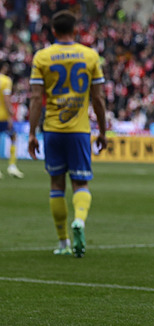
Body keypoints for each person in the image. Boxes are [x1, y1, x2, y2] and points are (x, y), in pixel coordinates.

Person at [28, 10, 107, 257]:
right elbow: (98, 99)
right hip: (79, 131)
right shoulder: (90, 55)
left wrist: (31, 133)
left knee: (56, 184)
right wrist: (103, 131)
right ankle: (79, 221)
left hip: (52, 129)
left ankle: (62, 242)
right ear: (75, 31)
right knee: (80, 183)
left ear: (53, 31)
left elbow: (34, 99)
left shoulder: (42, 57)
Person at [0, 63, 24, 179]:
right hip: (2, 116)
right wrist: (10, 114)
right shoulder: (5, 80)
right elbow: (6, 99)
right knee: (13, 137)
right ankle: (12, 166)